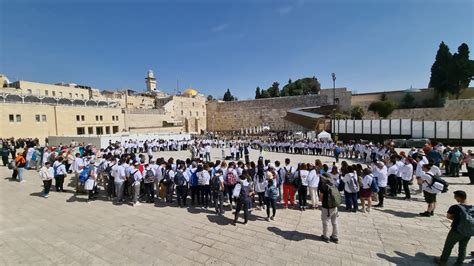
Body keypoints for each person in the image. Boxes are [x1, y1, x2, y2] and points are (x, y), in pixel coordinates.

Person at [436, 190, 472, 265]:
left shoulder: (455, 207)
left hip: (456, 231)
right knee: (463, 247)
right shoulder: (472, 208)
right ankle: (459, 262)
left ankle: (442, 261)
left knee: (448, 246)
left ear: (458, 197)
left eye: (455, 197)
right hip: (468, 231)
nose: (455, 198)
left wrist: (456, 218)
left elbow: (448, 216)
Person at [319, 174, 339, 243]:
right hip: (335, 206)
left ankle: (326, 236)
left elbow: (321, 198)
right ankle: (335, 236)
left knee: (325, 222)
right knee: (335, 222)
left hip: (326, 207)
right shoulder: (334, 184)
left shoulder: (323, 187)